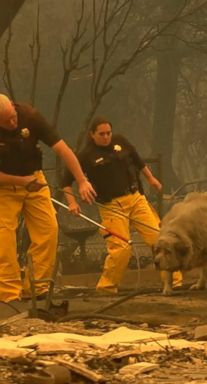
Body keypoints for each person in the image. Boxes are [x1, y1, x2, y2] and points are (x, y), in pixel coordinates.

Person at [61, 117, 182, 294]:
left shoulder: (121, 142)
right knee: (121, 249)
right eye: (101, 134)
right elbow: (66, 181)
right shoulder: (85, 155)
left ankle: (173, 281)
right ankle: (106, 287)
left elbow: (138, 161)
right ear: (92, 135)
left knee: (159, 239)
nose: (106, 137)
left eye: (108, 133)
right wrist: (71, 203)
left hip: (135, 199)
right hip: (111, 206)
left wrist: (151, 179)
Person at [0, 93, 96, 303]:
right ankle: (8, 294)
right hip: (5, 188)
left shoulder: (31, 116)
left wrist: (81, 180)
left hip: (35, 180)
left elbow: (63, 149)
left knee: (49, 230)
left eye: (13, 116)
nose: (13, 122)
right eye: (7, 122)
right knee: (4, 239)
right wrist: (22, 181)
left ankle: (37, 287)